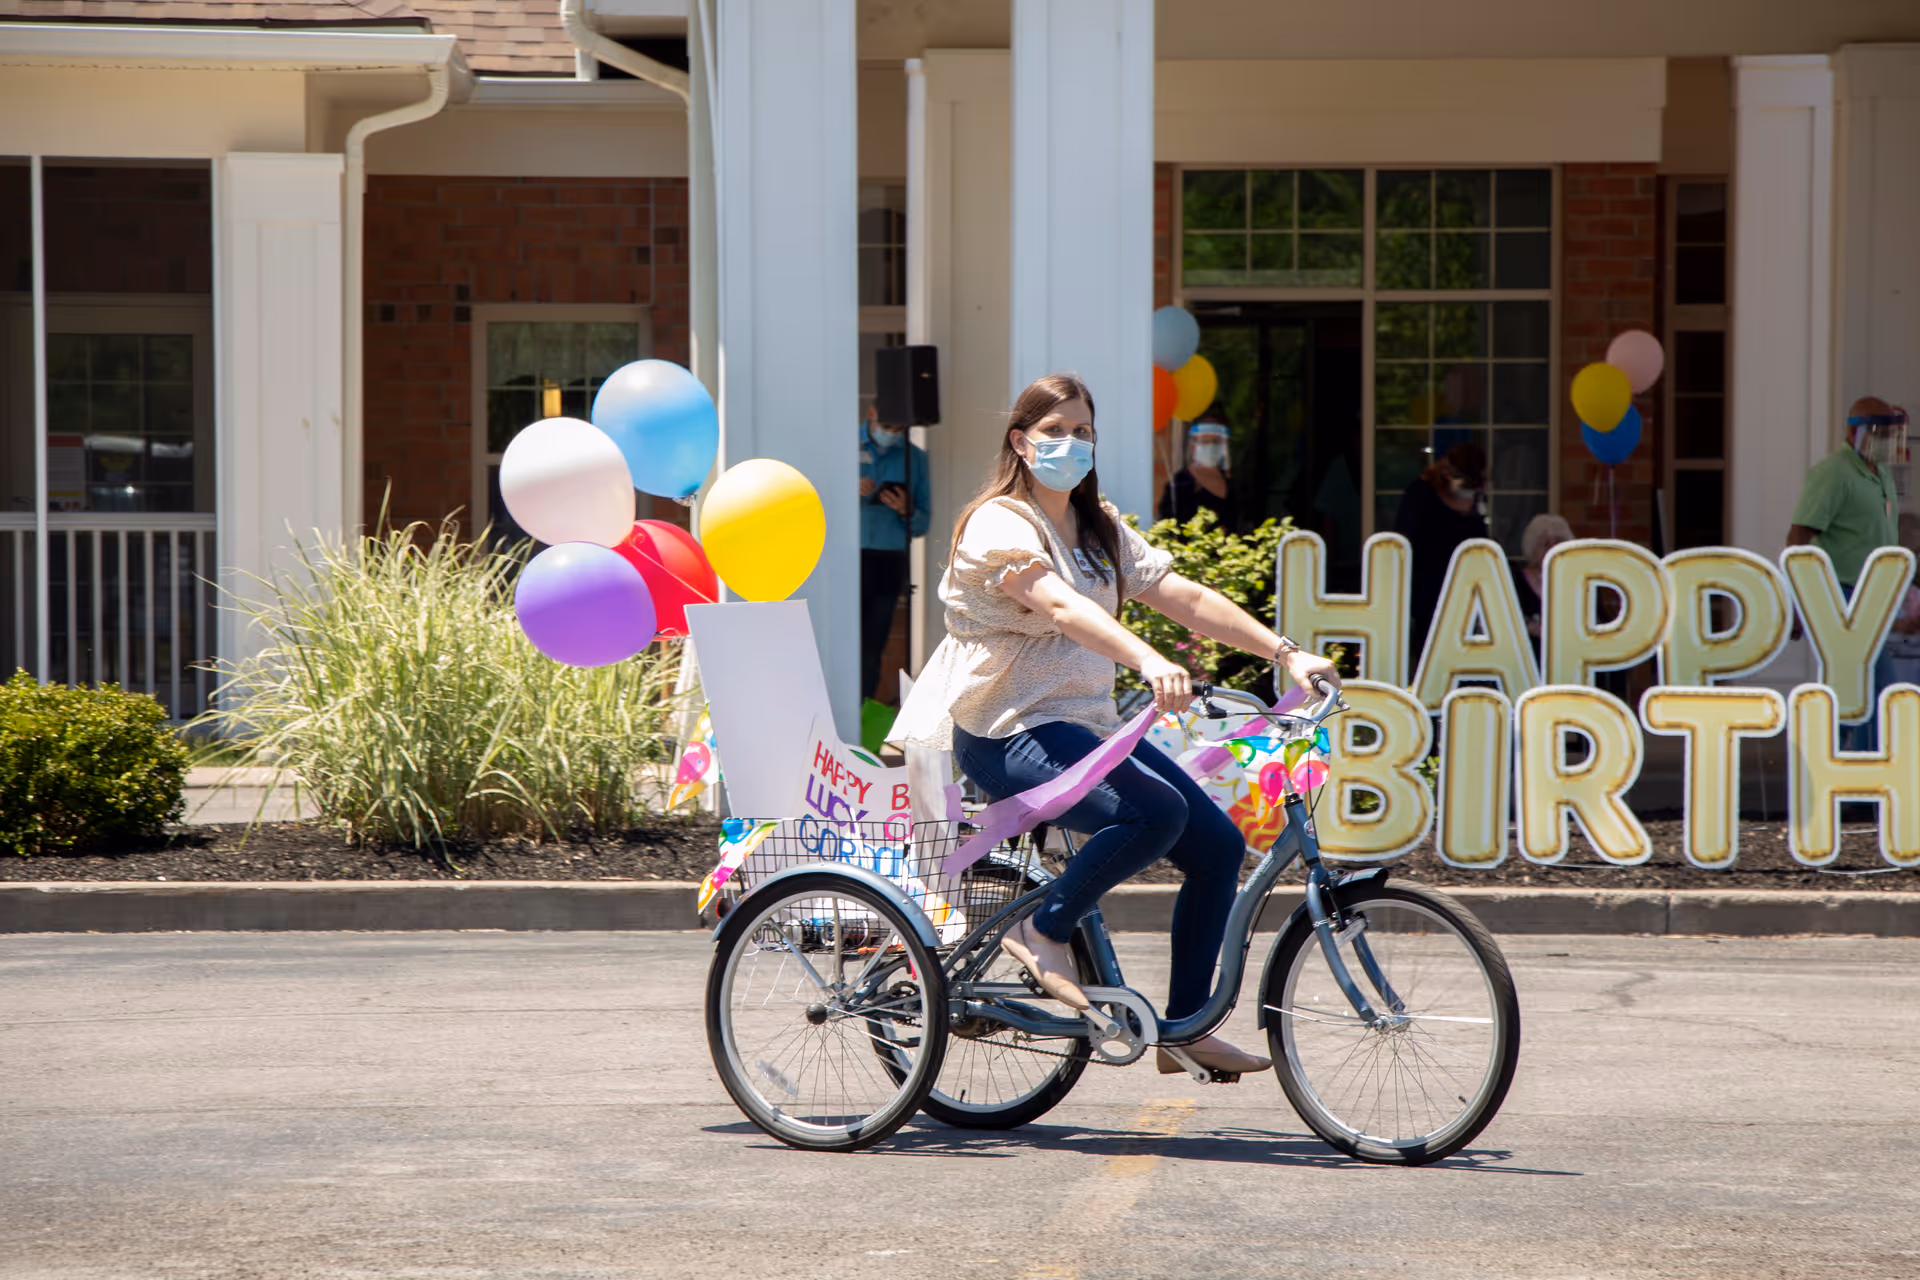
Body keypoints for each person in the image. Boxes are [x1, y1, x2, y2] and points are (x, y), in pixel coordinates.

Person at [892, 373, 1340, 1078]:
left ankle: (1186, 1028)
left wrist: (1285, 653)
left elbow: (1182, 595)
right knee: (1150, 813)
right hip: (1009, 729)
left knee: (1218, 846)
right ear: (1020, 441)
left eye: (1083, 432)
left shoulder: (1095, 523)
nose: (1071, 443)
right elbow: (1063, 608)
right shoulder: (1000, 523)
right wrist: (1147, 658)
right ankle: (1041, 929)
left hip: (1084, 727)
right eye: (1055, 431)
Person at [1786, 397, 1909, 750]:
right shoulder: (1834, 472)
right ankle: (1863, 778)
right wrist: (1799, 599)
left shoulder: (1880, 472)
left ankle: (1837, 768)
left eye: (1890, 433)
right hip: (1841, 592)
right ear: (1853, 431)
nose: (1886, 441)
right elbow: (1799, 534)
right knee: (1876, 685)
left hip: (1876, 595)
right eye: (1878, 432)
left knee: (1855, 687)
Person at [1394, 440, 1489, 668]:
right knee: (1430, 654)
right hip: (1427, 588)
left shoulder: (1473, 499)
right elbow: (1405, 542)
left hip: (1465, 587)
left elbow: (1479, 536)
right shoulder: (1421, 495)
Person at [859, 403, 930, 701]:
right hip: (848, 557)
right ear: (872, 413)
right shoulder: (841, 445)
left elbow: (924, 521)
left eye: (899, 430)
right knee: (841, 641)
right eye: (888, 428)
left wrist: (905, 509)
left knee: (873, 645)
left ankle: (862, 716)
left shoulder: (914, 458)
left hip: (888, 559)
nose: (893, 435)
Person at [1512, 513, 1573, 663]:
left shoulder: (1578, 582)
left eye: (1558, 542)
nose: (1552, 549)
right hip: (1527, 663)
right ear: (1532, 548)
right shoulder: (1515, 581)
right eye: (1545, 544)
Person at [1156, 416, 1236, 527]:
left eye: (1215, 441)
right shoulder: (1180, 484)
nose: (1211, 446)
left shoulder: (1233, 485)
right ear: (1193, 445)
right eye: (1205, 441)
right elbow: (1168, 529)